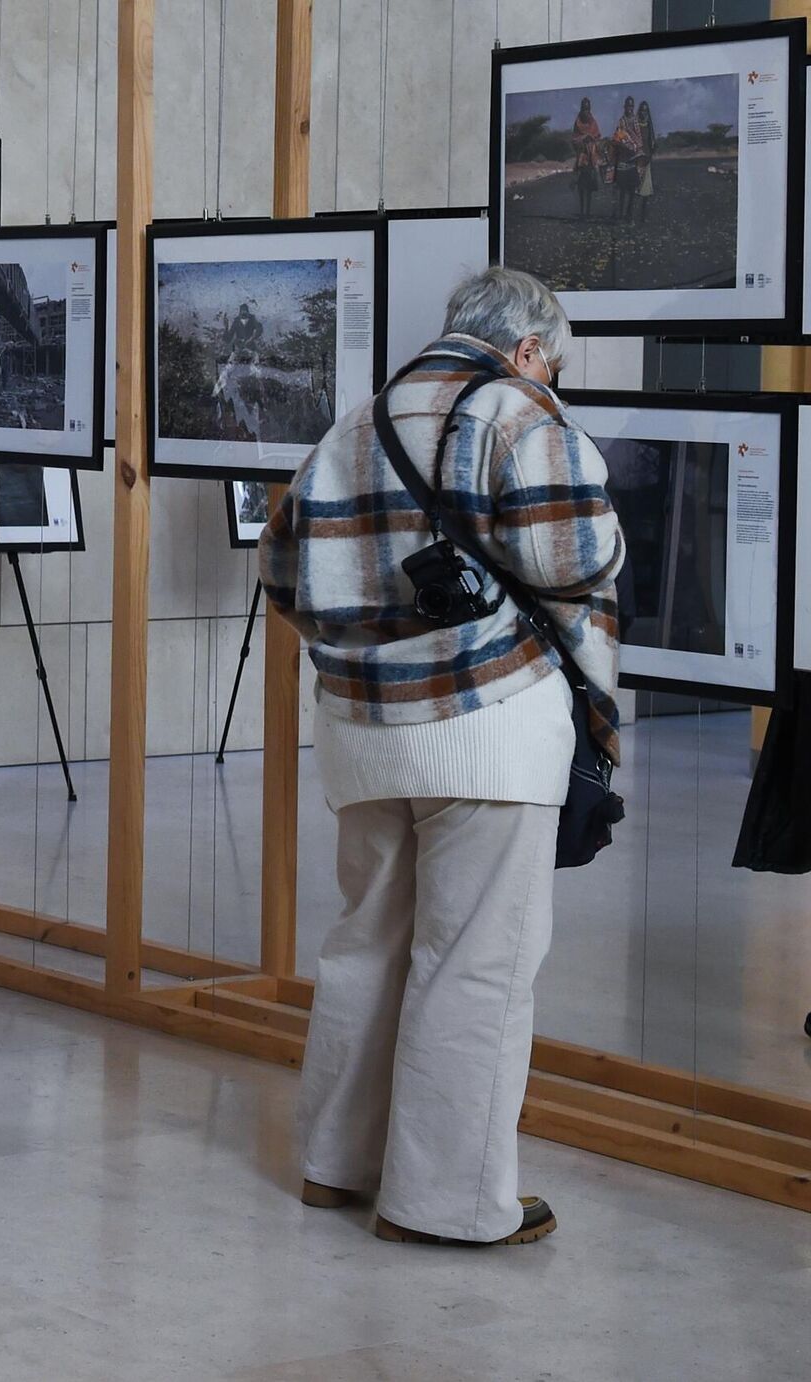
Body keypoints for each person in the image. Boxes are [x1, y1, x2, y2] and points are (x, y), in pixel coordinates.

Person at [259, 266, 625, 1247]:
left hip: (362, 727)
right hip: (490, 723)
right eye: (557, 362)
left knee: (366, 942)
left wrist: (373, 652)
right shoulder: (516, 409)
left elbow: (282, 568)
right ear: (531, 348)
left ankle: (336, 1164)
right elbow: (576, 557)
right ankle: (447, 1202)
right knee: (476, 960)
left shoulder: (357, 420)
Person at [570, 96, 604, 219]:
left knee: (589, 187)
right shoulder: (577, 122)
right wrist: (583, 139)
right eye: (584, 109)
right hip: (582, 158)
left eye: (587, 109)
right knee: (581, 185)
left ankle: (588, 212)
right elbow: (574, 139)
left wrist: (592, 140)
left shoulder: (593, 122)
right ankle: (582, 211)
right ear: (581, 109)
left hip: (591, 157)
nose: (586, 111)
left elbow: (598, 136)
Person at [611, 96, 643, 220]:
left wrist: (634, 147)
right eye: (628, 106)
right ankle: (620, 214)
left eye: (631, 106)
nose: (630, 108)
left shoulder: (635, 121)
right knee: (622, 190)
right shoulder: (621, 121)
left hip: (633, 158)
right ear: (624, 107)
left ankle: (629, 215)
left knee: (631, 189)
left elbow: (639, 139)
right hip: (622, 159)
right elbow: (617, 138)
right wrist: (624, 145)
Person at [634, 100, 657, 221]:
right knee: (634, 188)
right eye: (642, 110)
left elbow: (652, 142)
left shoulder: (649, 125)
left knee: (645, 189)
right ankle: (631, 215)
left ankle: (643, 215)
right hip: (637, 159)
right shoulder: (636, 124)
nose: (643, 112)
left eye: (645, 110)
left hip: (646, 159)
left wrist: (650, 154)